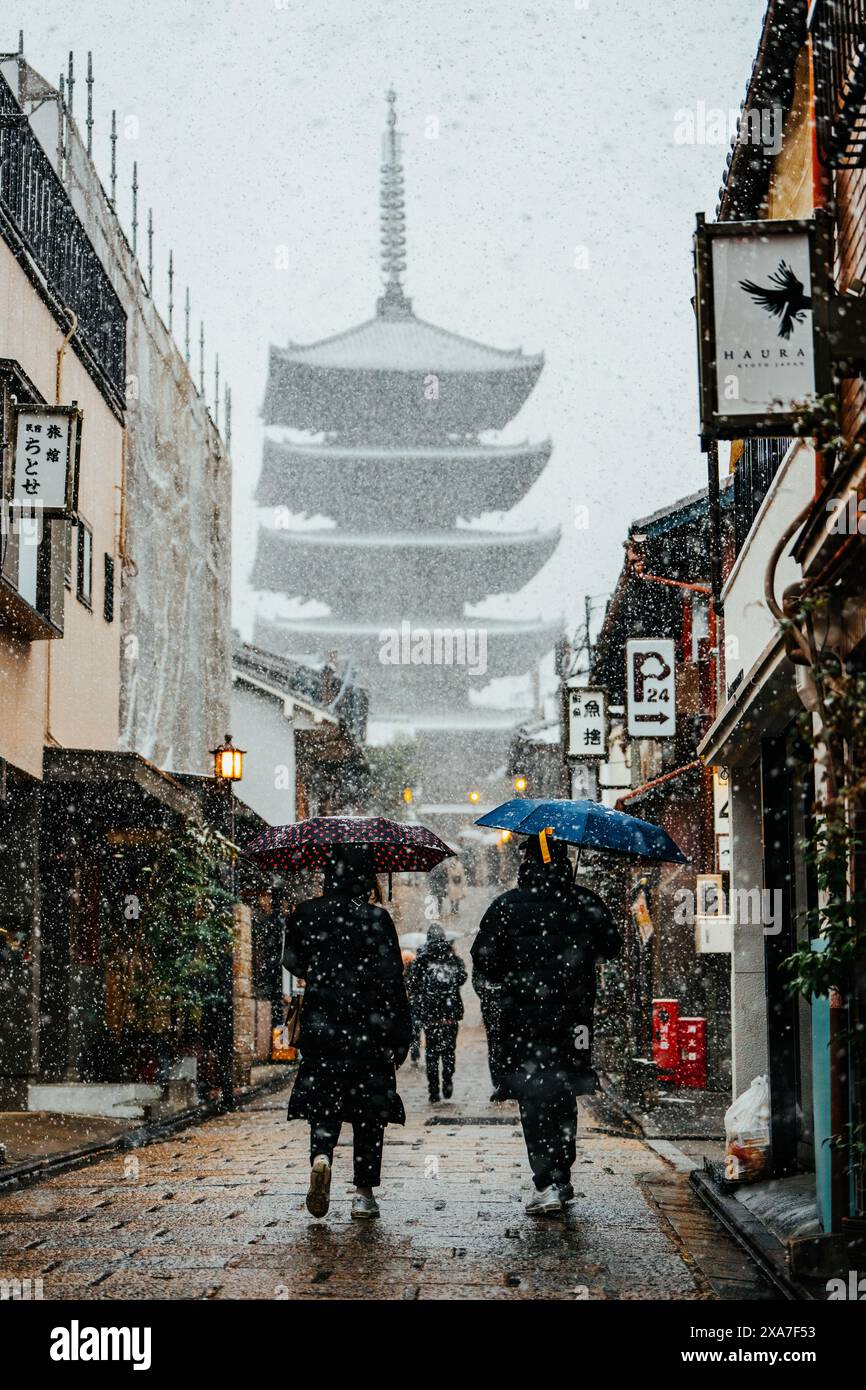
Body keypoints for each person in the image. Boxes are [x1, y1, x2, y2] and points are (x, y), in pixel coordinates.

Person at [471, 834, 621, 1216]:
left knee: (533, 1096)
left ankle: (547, 1181)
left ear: (526, 864)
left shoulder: (506, 906)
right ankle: (562, 1174)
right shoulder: (584, 902)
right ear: (564, 862)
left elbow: (484, 960)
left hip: (522, 1020)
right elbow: (612, 946)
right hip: (574, 1019)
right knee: (564, 1089)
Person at [282, 846, 412, 1221]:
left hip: (322, 1025)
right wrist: (400, 1031)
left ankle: (321, 1155)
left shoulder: (306, 914)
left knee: (324, 1099)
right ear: (364, 878)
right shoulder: (376, 918)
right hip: (369, 1028)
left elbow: (293, 963)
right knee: (368, 1109)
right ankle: (363, 1193)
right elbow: (392, 978)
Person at [407, 919, 467, 1102]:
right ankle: (448, 1077)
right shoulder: (451, 957)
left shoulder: (422, 959)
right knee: (449, 1050)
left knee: (432, 1052)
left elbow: (412, 983)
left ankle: (434, 1090)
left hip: (431, 1014)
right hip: (450, 1014)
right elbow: (462, 978)